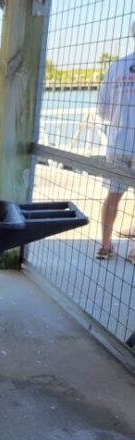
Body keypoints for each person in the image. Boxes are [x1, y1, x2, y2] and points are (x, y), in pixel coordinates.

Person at [95, 20, 135, 263]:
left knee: (113, 194)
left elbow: (102, 110)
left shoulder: (117, 66)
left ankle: (105, 245)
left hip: (119, 141)